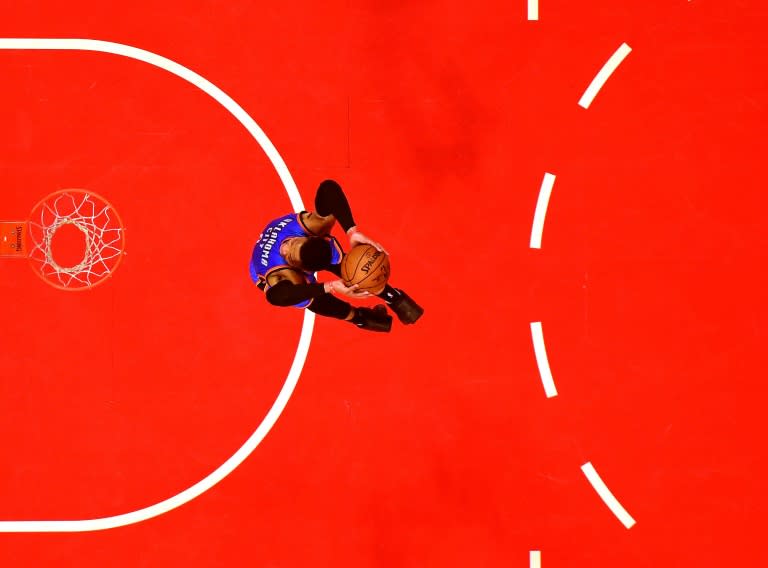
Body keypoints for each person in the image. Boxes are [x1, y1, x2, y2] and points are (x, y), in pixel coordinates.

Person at [249, 179, 423, 332]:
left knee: (355, 269)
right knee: (311, 299)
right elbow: (277, 297)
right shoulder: (279, 273)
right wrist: (329, 286)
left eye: (292, 244)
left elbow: (328, 188)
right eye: (288, 249)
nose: (284, 247)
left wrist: (352, 232)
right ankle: (360, 318)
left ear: (312, 237)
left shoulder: (313, 227)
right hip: (280, 280)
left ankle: (392, 297)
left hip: (317, 250)